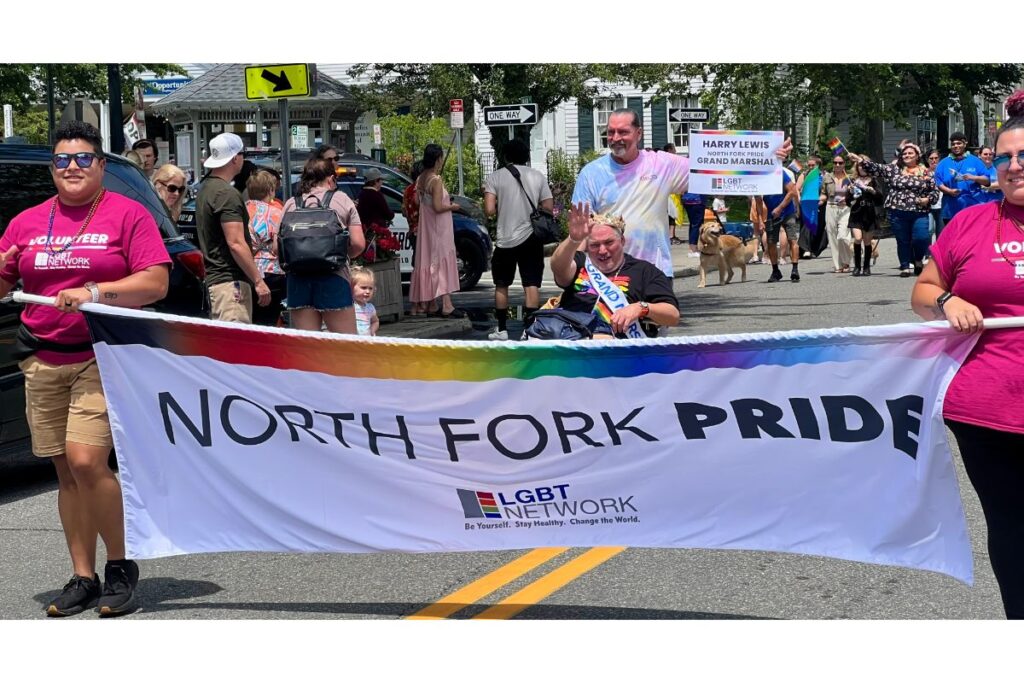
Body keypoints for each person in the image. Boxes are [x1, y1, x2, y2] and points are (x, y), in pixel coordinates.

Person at [0, 120, 172, 617]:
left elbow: (155, 283)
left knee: (86, 460)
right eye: (61, 160)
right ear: (52, 169)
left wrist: (96, 293)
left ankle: (120, 565)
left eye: (82, 159)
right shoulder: (26, 222)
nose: (71, 167)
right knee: (64, 470)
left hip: (103, 353)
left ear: (99, 165)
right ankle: (82, 575)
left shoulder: (128, 214)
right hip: (42, 355)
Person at [910, 89, 1024, 620]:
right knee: (1011, 528)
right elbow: (923, 289)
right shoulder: (970, 223)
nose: (1014, 165)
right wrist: (948, 299)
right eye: (1004, 157)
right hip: (986, 410)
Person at [571, 107, 794, 276]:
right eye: (610, 132)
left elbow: (717, 169)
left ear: (638, 133)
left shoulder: (661, 164)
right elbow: (581, 231)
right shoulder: (591, 174)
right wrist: (574, 271)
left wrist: (769, 158)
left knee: (655, 336)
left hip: (653, 271)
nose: (616, 138)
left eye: (623, 132)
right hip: (605, 272)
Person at [548, 202, 679, 338]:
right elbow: (558, 267)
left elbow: (673, 316)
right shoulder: (581, 263)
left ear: (622, 241)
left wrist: (641, 308)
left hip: (618, 349)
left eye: (609, 243)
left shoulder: (644, 271)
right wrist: (573, 240)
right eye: (595, 245)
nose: (602, 250)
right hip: (571, 340)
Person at [282, 157, 366, 333]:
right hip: (333, 277)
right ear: (330, 178)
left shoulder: (291, 204)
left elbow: (278, 248)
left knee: (308, 346)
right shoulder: (341, 199)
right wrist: (340, 254)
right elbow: (358, 243)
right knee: (344, 345)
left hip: (298, 280)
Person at [482, 138, 554, 341]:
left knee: (502, 284)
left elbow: (489, 211)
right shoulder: (538, 176)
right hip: (531, 237)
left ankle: (502, 329)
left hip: (505, 239)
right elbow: (548, 206)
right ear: (527, 156)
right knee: (531, 283)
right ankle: (529, 331)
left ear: (505, 156)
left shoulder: (495, 178)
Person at [195, 132, 271, 322]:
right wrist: (258, 280)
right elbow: (235, 242)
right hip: (230, 285)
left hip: (216, 283)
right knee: (236, 347)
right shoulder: (226, 193)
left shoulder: (206, 189)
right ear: (235, 158)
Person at [849, 142, 938, 277]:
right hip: (897, 210)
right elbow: (877, 168)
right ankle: (905, 265)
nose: (907, 155)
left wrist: (928, 199)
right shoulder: (894, 169)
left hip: (919, 211)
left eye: (910, 153)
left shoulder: (926, 172)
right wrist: (860, 160)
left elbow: (934, 191)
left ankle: (918, 259)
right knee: (902, 240)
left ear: (917, 156)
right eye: (904, 153)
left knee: (921, 238)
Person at [408, 143, 465, 318]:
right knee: (441, 261)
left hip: (427, 225)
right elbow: (439, 207)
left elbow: (418, 202)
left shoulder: (421, 178)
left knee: (430, 261)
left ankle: (431, 303)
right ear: (438, 159)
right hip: (439, 227)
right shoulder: (436, 180)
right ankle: (447, 305)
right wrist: (453, 206)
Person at [245, 170, 286, 326]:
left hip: (246, 268)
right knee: (267, 322)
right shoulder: (277, 213)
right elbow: (277, 248)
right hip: (272, 272)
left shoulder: (240, 210)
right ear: (271, 190)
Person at [934, 131, 990, 222]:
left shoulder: (975, 161)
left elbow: (987, 181)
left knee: (972, 236)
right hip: (950, 210)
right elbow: (939, 182)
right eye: (953, 144)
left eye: (959, 143)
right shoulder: (943, 163)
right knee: (953, 236)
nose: (956, 146)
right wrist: (949, 191)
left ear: (965, 144)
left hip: (973, 208)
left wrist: (974, 177)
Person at [763, 167, 801, 282]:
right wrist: (760, 219)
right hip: (771, 214)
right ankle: (775, 271)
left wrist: (780, 208)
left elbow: (792, 191)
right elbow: (757, 199)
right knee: (771, 242)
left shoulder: (780, 172)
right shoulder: (758, 175)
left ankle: (795, 269)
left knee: (792, 239)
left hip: (787, 211)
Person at [846, 157, 881, 277]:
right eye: (860, 165)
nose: (862, 168)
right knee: (857, 238)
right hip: (857, 212)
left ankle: (866, 267)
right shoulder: (853, 181)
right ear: (857, 167)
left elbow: (880, 198)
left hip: (869, 213)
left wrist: (873, 192)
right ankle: (856, 266)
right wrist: (850, 193)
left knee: (867, 241)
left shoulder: (873, 180)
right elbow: (847, 200)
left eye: (864, 165)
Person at [820, 155, 853, 273]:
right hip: (831, 206)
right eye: (835, 162)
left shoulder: (850, 178)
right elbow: (824, 193)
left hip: (846, 208)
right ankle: (838, 265)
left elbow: (856, 195)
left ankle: (846, 261)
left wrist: (850, 197)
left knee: (843, 236)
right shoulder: (827, 177)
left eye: (840, 163)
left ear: (844, 164)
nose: (837, 165)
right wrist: (820, 201)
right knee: (832, 236)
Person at [356, 167, 395, 232]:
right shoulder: (377, 195)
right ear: (376, 181)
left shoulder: (361, 193)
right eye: (381, 180)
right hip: (376, 232)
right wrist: (392, 214)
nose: (381, 183)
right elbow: (388, 214)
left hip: (363, 230)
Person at [350, 265, 379, 336]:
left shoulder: (370, 308)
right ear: (351, 287)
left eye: (370, 288)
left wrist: (372, 330)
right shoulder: (349, 305)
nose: (368, 291)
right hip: (352, 341)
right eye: (363, 288)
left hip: (366, 341)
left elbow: (375, 321)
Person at [924, 148, 945, 238]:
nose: (934, 160)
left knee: (941, 233)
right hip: (928, 206)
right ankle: (926, 252)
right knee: (928, 231)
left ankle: (937, 252)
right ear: (927, 159)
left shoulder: (944, 171)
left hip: (941, 205)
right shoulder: (923, 172)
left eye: (936, 158)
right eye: (931, 158)